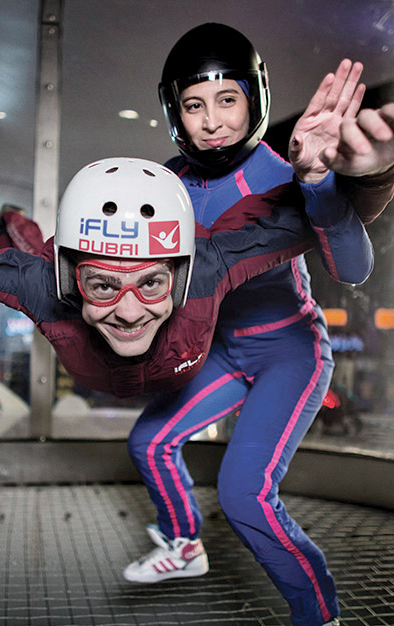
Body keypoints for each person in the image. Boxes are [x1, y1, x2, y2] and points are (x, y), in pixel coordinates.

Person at [122, 23, 394, 626]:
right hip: (223, 352)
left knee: (244, 496)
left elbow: (352, 267)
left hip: (288, 354)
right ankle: (184, 544)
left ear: (254, 101)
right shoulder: (166, 184)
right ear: (175, 113)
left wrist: (319, 182)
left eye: (227, 99)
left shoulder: (286, 171)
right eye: (194, 105)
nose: (212, 120)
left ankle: (319, 616)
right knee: (149, 442)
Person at [0, 155, 369, 398]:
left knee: (245, 219)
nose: (128, 313)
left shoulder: (207, 266)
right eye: (103, 285)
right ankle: (10, 217)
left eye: (150, 283)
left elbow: (318, 219)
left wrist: (337, 175)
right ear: (71, 281)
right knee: (24, 247)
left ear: (182, 277)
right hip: (45, 267)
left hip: (202, 244)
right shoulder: (45, 282)